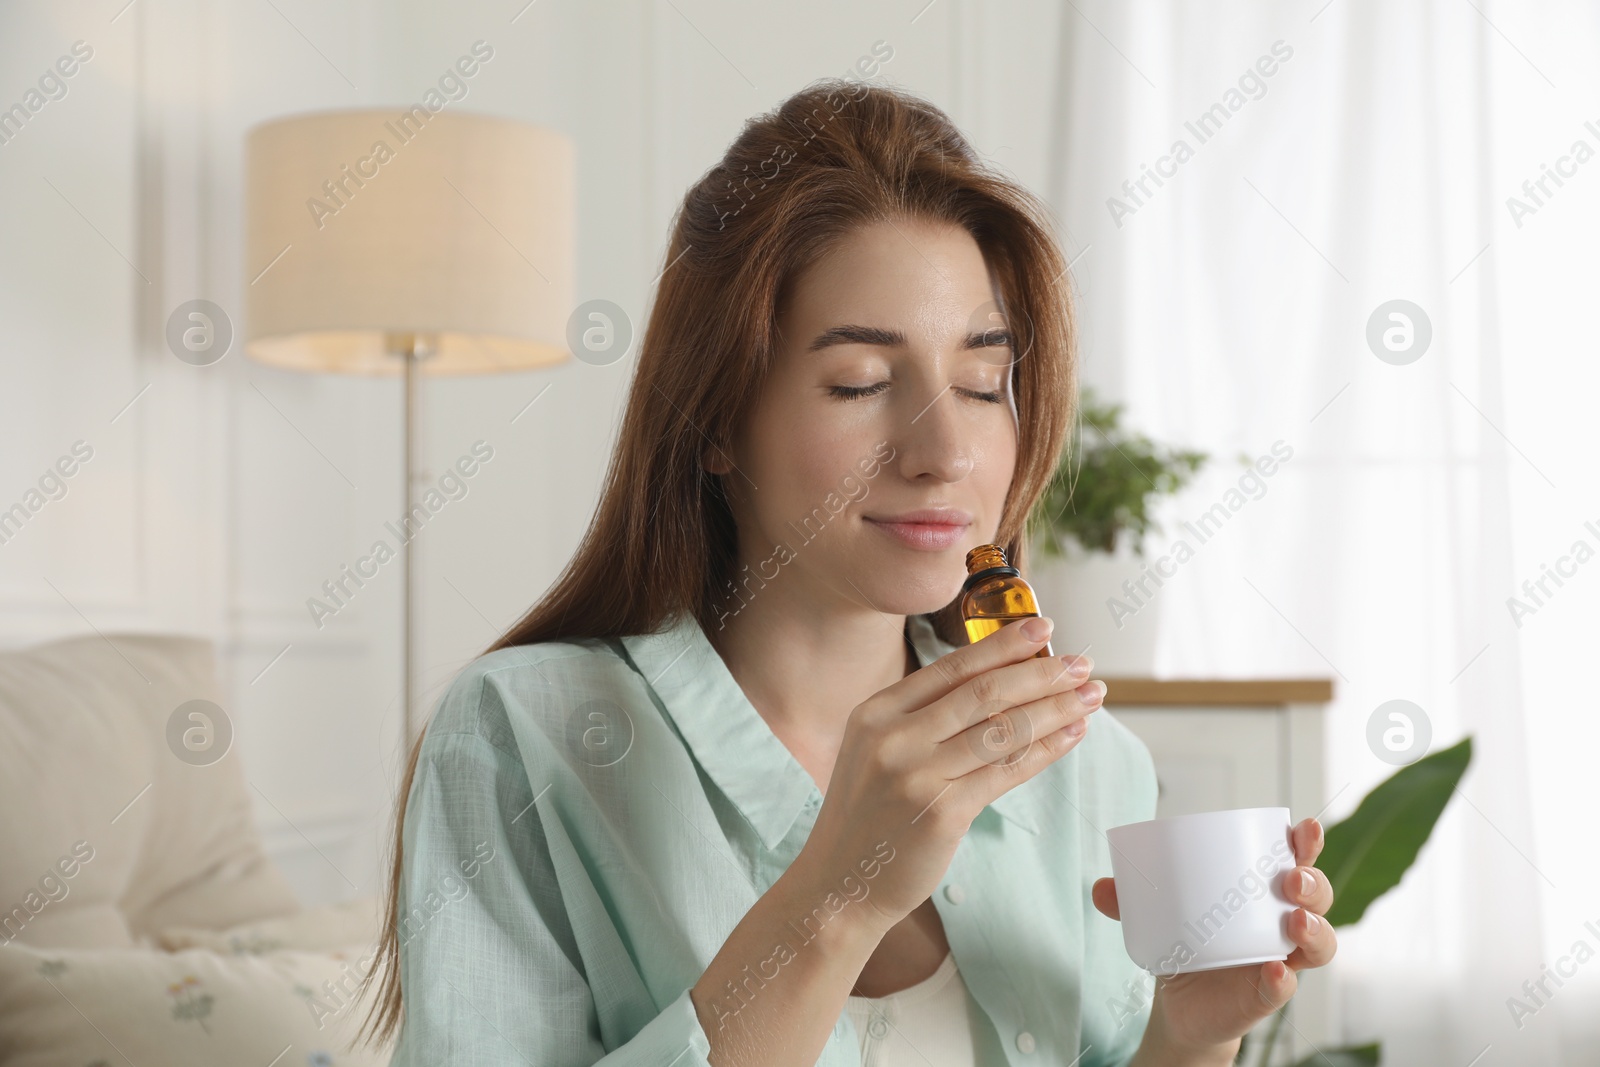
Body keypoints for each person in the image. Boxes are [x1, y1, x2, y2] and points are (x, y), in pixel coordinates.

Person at [358, 77, 1336, 1067]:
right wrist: (837, 892)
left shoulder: (1086, 761)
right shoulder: (527, 736)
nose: (943, 450)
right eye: (860, 383)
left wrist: (1189, 1035)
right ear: (715, 423)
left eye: (983, 382)